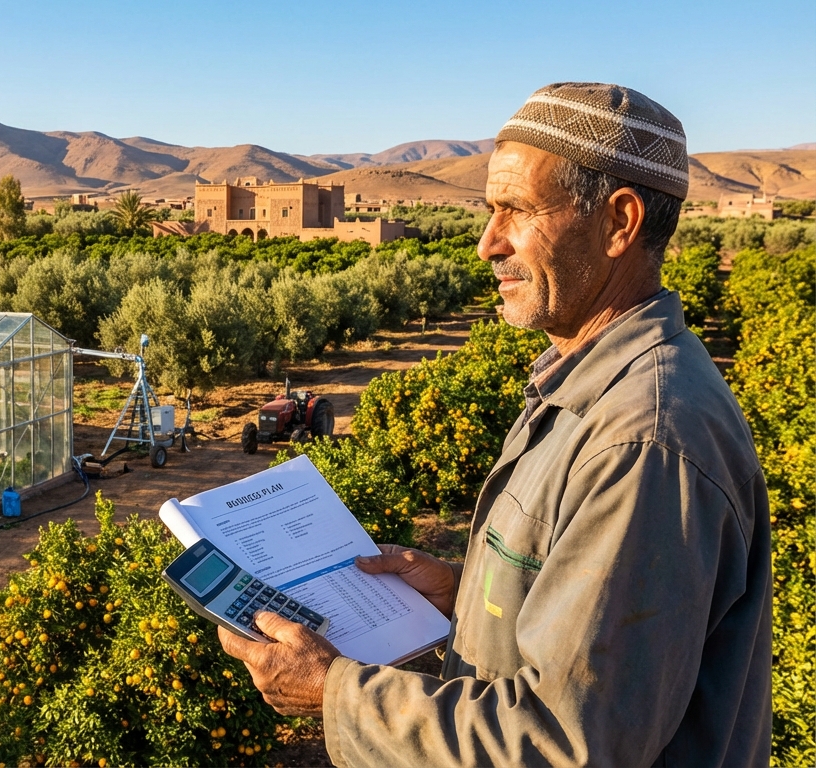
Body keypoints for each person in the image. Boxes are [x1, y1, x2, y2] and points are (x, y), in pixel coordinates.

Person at [217, 82, 771, 767]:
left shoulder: (644, 441)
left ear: (619, 223)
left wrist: (335, 693)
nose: (487, 244)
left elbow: (564, 744)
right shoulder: (583, 384)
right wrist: (466, 597)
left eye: (516, 211)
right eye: (488, 211)